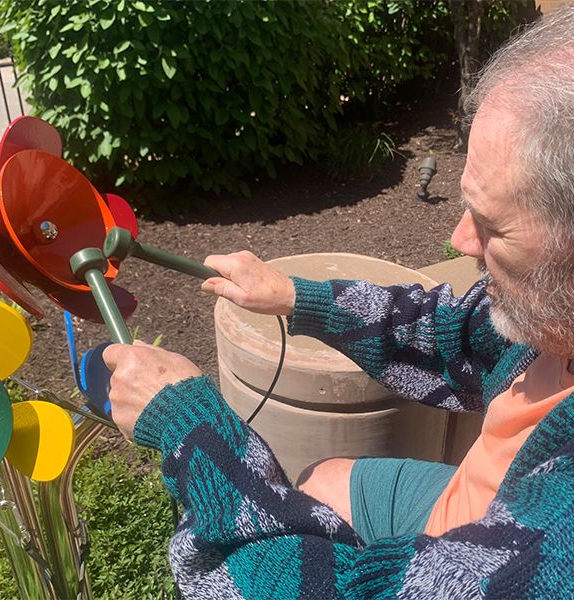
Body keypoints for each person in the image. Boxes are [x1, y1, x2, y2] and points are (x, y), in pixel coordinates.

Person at [104, 8, 574, 599]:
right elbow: (456, 337)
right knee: (320, 480)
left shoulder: (554, 552)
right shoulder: (553, 323)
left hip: (494, 545)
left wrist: (187, 426)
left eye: (491, 224)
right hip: (489, 501)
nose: (459, 241)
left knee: (296, 523)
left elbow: (306, 590)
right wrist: (296, 297)